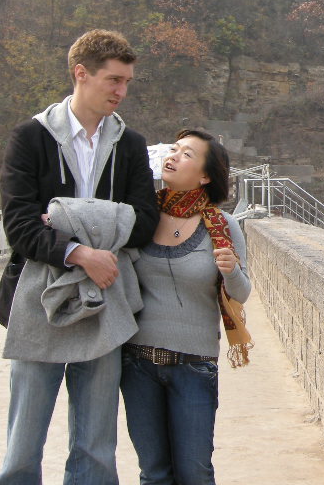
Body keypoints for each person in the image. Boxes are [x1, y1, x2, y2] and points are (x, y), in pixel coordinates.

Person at [0, 29, 159, 485]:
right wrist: (81, 251)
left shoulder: (129, 144)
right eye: (113, 80)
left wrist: (63, 217)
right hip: (38, 299)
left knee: (96, 445)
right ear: (80, 74)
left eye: (127, 82)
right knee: (23, 445)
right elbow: (20, 225)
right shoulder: (30, 137)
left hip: (106, 297)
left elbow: (145, 221)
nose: (121, 92)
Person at [121, 128, 252, 485]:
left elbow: (241, 294)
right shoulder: (143, 217)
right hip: (138, 364)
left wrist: (231, 271)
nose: (175, 156)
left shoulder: (222, 227)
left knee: (195, 472)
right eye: (174, 150)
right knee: (153, 473)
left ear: (206, 175)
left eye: (187, 154)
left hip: (194, 367)